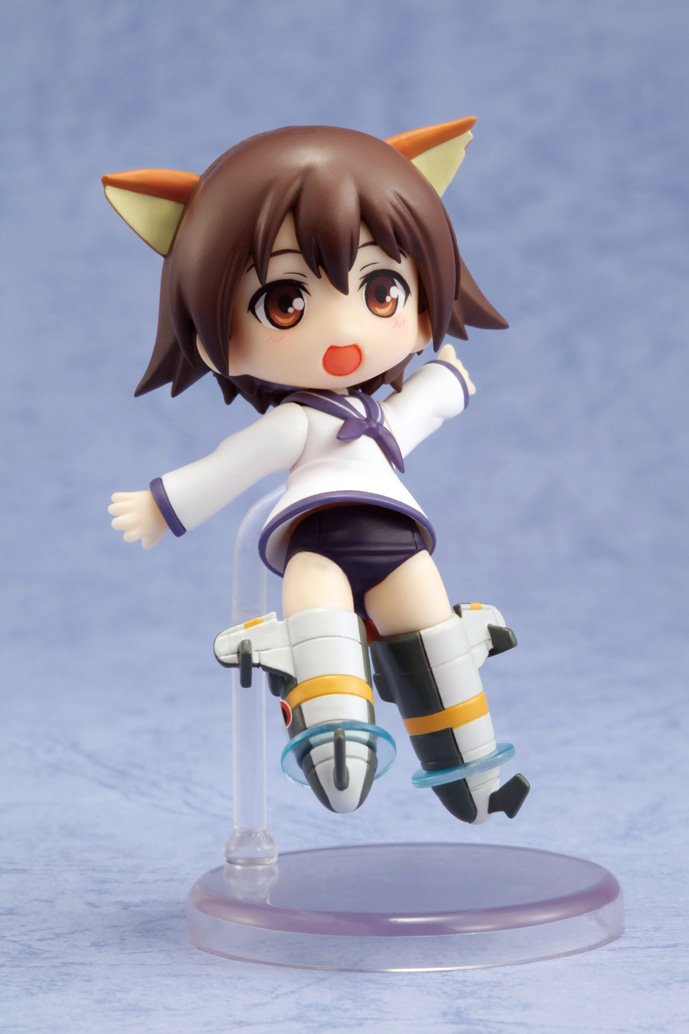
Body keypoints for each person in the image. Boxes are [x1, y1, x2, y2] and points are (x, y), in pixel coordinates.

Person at [105, 119, 529, 821]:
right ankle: (335, 745)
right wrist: (162, 504)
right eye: (286, 303)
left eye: (382, 292)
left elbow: (424, 405)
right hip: (317, 552)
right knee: (322, 643)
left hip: (400, 549)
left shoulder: (378, 421)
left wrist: (448, 379)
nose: (344, 333)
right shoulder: (296, 425)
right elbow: (231, 465)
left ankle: (476, 778)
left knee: (437, 648)